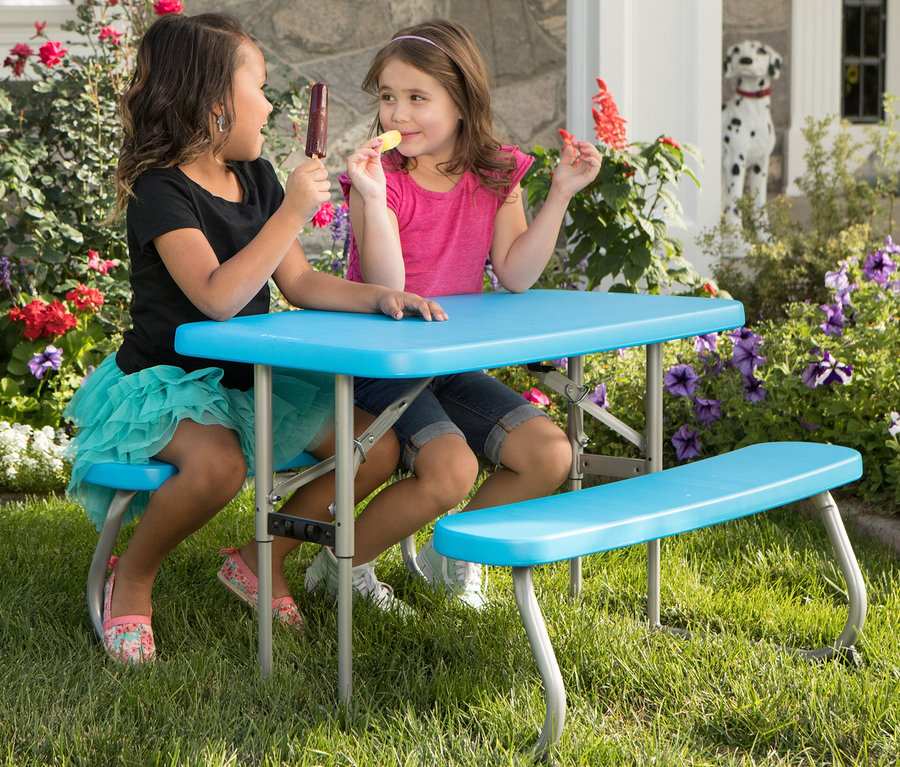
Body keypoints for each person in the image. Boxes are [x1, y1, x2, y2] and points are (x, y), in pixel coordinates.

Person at [65, 12, 446, 664]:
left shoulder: (258, 178)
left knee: (374, 450)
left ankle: (261, 559)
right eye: (260, 89)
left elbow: (297, 281)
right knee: (219, 465)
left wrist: (381, 297)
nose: (271, 106)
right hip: (167, 382)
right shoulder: (162, 193)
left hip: (245, 377)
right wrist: (294, 211)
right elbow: (217, 296)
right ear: (215, 106)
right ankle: (132, 579)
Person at [325, 19, 602, 609]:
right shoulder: (381, 180)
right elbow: (388, 288)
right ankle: (343, 565)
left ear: (462, 103)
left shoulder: (497, 172)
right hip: (383, 364)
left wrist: (560, 194)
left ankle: (451, 554)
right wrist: (371, 198)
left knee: (549, 454)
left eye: (417, 98)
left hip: (450, 362)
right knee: (451, 471)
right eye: (388, 97)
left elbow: (517, 273)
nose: (397, 114)